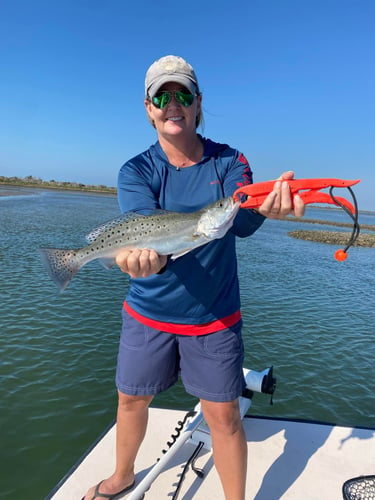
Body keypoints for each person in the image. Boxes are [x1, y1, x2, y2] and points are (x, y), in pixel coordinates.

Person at [83, 55, 305, 500]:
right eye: (161, 95)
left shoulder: (230, 162)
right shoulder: (136, 171)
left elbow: (238, 222)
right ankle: (123, 474)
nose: (173, 103)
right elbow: (143, 232)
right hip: (148, 312)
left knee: (223, 416)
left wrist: (264, 208)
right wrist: (143, 260)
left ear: (198, 102)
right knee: (130, 399)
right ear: (148, 108)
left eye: (182, 93)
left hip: (214, 317)